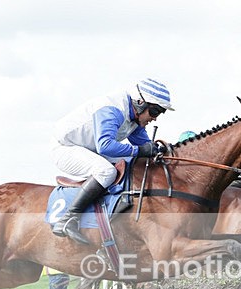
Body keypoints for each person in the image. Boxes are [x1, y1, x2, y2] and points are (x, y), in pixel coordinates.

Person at [50, 78, 174, 244]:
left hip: (89, 147)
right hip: (65, 148)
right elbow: (105, 146)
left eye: (159, 113)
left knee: (135, 163)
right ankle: (68, 219)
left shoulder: (135, 117)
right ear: (140, 103)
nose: (155, 118)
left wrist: (160, 151)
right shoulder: (112, 109)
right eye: (154, 112)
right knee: (106, 171)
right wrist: (140, 150)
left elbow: (144, 146)